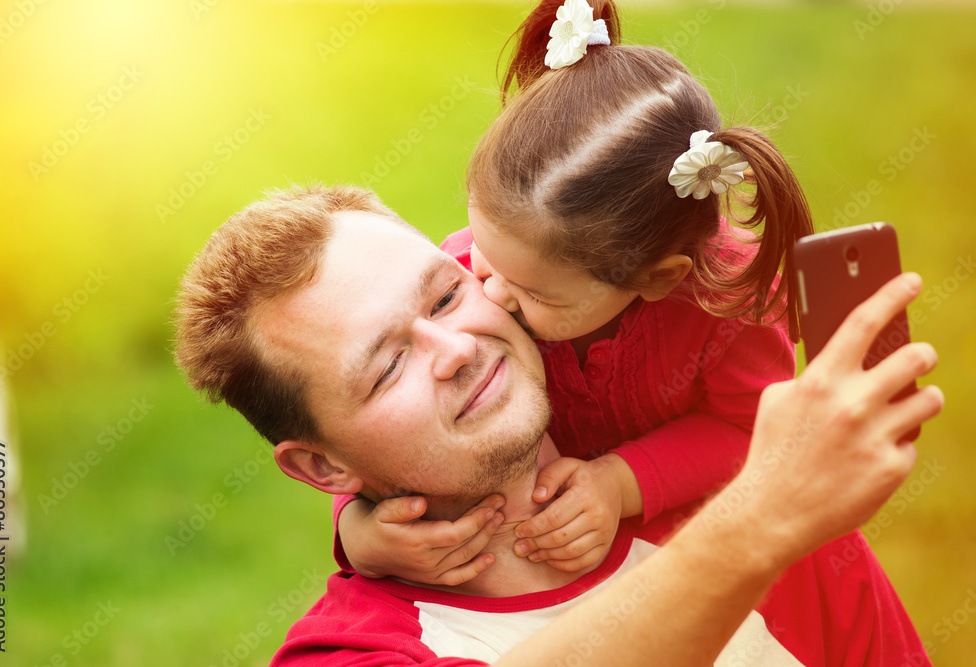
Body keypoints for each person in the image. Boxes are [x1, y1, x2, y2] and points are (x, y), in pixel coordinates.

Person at [173, 184, 943, 665]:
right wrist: (760, 519)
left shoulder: (750, 506)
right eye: (386, 368)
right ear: (321, 468)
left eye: (444, 298)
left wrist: (764, 510)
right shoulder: (353, 652)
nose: (457, 349)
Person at [336, 0, 815, 582]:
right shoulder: (468, 278)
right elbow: (368, 408)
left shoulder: (731, 303)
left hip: (689, 561)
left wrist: (621, 483)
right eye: (483, 247)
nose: (489, 288)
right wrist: (356, 530)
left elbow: (751, 429)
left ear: (656, 277)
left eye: (536, 293)